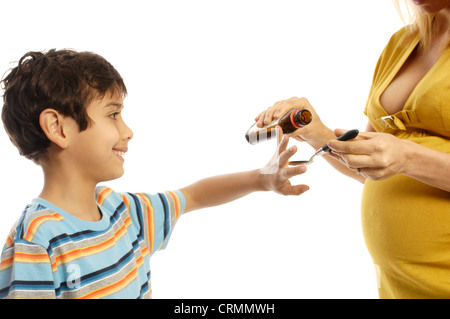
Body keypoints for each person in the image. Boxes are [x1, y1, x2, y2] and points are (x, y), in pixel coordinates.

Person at [0, 49, 309, 299]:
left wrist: (262, 179)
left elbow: (193, 195)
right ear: (58, 128)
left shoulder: (121, 211)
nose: (128, 131)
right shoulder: (37, 240)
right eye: (113, 114)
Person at [254, 0, 450, 298]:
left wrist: (407, 156)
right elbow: (373, 167)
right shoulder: (404, 43)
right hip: (400, 285)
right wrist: (317, 133)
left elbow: (399, 158)